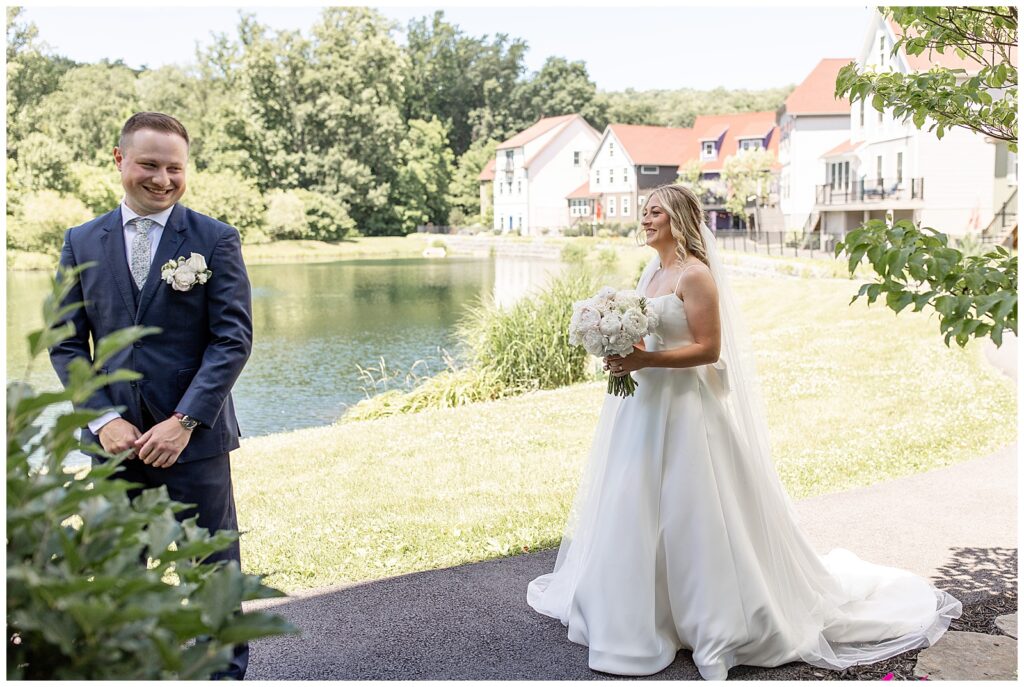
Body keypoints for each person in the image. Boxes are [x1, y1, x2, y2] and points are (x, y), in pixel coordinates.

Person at [526, 184, 961, 679]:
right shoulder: (653, 272)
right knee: (634, 501)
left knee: (692, 508)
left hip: (685, 407)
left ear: (678, 220)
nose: (644, 220)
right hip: (643, 406)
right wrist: (622, 348)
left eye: (654, 213)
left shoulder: (696, 275)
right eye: (644, 213)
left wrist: (646, 358)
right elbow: (651, 334)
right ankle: (639, 611)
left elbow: (709, 350)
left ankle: (707, 616)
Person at [49, 111, 254, 680]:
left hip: (194, 442)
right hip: (114, 443)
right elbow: (66, 345)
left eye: (174, 168)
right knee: (117, 574)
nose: (162, 179)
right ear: (120, 161)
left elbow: (232, 340)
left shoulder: (214, 239)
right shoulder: (81, 240)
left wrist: (184, 420)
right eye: (149, 164)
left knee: (212, 572)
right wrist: (103, 420)